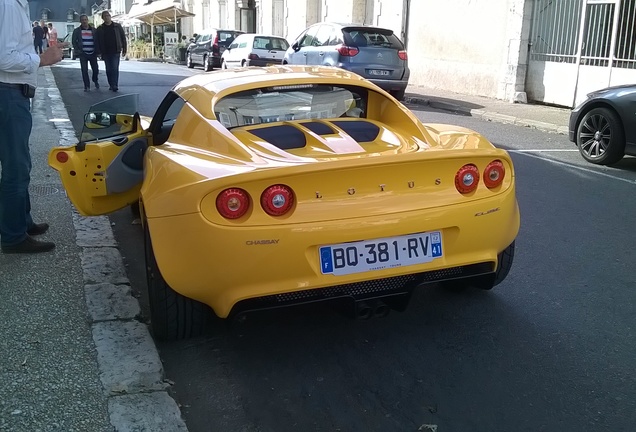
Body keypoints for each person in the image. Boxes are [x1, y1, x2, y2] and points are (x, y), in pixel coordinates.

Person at [0, 0, 64, 253]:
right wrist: (40, 59)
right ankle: (13, 236)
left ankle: (20, 223)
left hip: (10, 93)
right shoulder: (9, 4)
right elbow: (4, 57)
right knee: (16, 167)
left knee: (17, 163)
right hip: (8, 94)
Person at [95, 11, 127, 92]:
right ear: (102, 18)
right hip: (105, 52)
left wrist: (124, 49)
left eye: (108, 15)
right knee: (108, 69)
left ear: (110, 16)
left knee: (115, 68)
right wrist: (98, 52)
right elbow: (97, 41)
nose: (107, 17)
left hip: (116, 51)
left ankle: (115, 85)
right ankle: (111, 84)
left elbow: (123, 37)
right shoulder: (100, 29)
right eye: (105, 16)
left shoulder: (117, 26)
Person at [72, 15, 100, 91]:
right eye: (82, 20)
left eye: (85, 20)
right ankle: (86, 86)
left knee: (95, 69)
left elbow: (97, 41)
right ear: (80, 21)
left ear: (88, 20)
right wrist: (78, 50)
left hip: (93, 53)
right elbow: (74, 42)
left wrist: (98, 51)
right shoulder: (77, 31)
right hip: (83, 53)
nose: (84, 21)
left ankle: (95, 80)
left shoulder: (94, 30)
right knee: (84, 70)